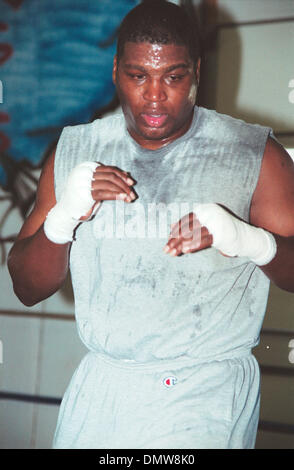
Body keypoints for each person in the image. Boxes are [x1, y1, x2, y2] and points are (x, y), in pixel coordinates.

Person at [7, 0, 294, 449]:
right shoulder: (75, 150)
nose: (155, 96)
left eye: (174, 77)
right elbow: (27, 288)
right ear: (116, 69)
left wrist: (247, 239)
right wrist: (64, 217)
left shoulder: (252, 154)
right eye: (138, 76)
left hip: (205, 392)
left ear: (196, 71)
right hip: (103, 386)